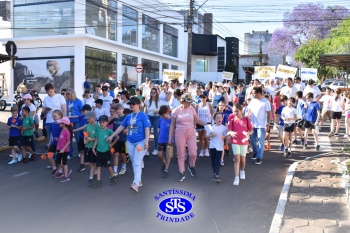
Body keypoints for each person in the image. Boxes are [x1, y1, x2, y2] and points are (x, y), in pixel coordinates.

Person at [107, 97, 151, 193]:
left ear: (138, 105)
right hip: (130, 142)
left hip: (140, 142)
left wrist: (147, 141)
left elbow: (147, 129)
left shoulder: (143, 116)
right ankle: (138, 181)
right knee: (134, 161)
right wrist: (112, 135)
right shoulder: (128, 116)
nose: (131, 105)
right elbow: (121, 127)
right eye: (130, 104)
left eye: (133, 104)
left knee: (137, 161)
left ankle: (136, 183)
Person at [168, 93, 207, 182]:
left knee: (193, 153)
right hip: (179, 133)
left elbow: (197, 120)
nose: (189, 104)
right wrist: (170, 137)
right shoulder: (176, 110)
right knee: (181, 154)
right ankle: (181, 172)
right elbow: (172, 125)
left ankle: (191, 166)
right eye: (187, 102)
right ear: (183, 101)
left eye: (190, 102)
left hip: (191, 132)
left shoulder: (191, 109)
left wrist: (207, 124)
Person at [228, 103, 253, 186]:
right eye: (234, 111)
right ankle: (236, 177)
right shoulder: (232, 120)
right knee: (236, 159)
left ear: (241, 111)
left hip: (244, 142)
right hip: (235, 142)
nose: (235, 113)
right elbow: (229, 130)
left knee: (242, 159)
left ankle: (242, 170)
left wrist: (248, 133)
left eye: (237, 111)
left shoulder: (246, 120)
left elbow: (251, 131)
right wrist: (231, 132)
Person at [92, 115, 118, 188]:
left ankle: (113, 177)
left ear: (107, 122)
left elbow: (117, 137)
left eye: (103, 122)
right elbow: (97, 139)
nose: (101, 124)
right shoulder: (98, 130)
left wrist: (111, 144)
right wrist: (93, 148)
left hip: (106, 151)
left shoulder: (109, 131)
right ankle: (99, 181)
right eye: (100, 122)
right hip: (99, 151)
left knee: (108, 166)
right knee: (98, 167)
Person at [248, 87, 271, 165]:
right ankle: (255, 152)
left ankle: (259, 157)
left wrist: (268, 123)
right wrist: (247, 120)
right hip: (252, 124)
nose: (252, 94)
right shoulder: (252, 101)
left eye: (254, 93)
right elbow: (249, 111)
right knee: (252, 139)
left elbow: (269, 113)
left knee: (260, 141)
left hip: (262, 125)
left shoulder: (265, 102)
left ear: (258, 93)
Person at [42, 83, 67, 148]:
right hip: (49, 121)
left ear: (53, 89)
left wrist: (63, 120)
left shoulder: (60, 97)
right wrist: (46, 110)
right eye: (47, 92)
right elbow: (43, 112)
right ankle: (52, 153)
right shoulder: (46, 98)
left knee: (59, 137)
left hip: (58, 121)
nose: (49, 93)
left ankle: (60, 151)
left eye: (50, 91)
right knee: (50, 138)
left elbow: (64, 110)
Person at [206, 112, 227, 183]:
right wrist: (211, 135)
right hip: (212, 146)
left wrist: (224, 137)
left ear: (222, 119)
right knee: (213, 161)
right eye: (217, 118)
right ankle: (215, 173)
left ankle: (217, 175)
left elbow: (227, 137)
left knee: (217, 161)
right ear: (214, 119)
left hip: (220, 147)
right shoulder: (211, 127)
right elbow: (206, 136)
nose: (219, 119)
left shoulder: (224, 128)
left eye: (220, 117)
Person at [144, 87, 164, 156]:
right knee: (147, 134)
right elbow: (145, 110)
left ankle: (155, 149)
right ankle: (146, 149)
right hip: (149, 117)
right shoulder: (147, 101)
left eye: (154, 92)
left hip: (156, 117)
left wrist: (158, 112)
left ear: (156, 93)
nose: (152, 94)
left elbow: (162, 111)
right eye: (151, 92)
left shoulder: (159, 102)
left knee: (155, 133)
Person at [73, 104, 92, 172]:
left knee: (89, 151)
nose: (82, 112)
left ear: (88, 111)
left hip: (88, 137)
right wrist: (66, 116)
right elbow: (75, 116)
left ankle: (91, 165)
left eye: (84, 111)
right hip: (82, 136)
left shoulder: (90, 119)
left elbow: (84, 127)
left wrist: (74, 130)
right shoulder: (82, 117)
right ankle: (82, 164)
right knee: (82, 151)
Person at [110, 104, 128, 176]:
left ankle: (124, 167)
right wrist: (113, 117)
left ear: (123, 109)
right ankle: (115, 170)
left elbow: (131, 125)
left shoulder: (126, 117)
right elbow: (107, 122)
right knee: (115, 154)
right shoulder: (115, 117)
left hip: (124, 139)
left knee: (123, 155)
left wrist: (127, 129)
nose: (118, 111)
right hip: (115, 139)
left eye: (120, 109)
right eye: (117, 109)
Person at [54, 117, 73, 182]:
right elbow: (62, 139)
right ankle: (67, 170)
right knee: (58, 162)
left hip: (64, 150)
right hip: (59, 148)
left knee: (64, 162)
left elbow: (68, 141)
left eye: (60, 122)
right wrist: (58, 139)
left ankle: (66, 176)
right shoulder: (62, 130)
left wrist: (63, 149)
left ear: (64, 124)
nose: (59, 123)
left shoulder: (67, 132)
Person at [66, 88, 83, 159]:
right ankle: (70, 153)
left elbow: (82, 111)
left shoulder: (78, 101)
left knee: (78, 137)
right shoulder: (66, 102)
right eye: (66, 94)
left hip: (76, 121)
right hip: (68, 122)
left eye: (68, 94)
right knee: (68, 138)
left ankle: (80, 151)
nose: (67, 95)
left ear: (72, 93)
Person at [83, 111, 99, 187]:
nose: (88, 120)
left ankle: (91, 177)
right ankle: (94, 170)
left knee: (92, 163)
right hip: (87, 147)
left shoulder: (97, 127)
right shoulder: (87, 126)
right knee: (86, 163)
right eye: (87, 119)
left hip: (94, 147)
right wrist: (85, 140)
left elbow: (97, 138)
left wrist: (91, 139)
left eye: (89, 119)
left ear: (94, 117)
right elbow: (85, 134)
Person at [157, 105, 173, 178]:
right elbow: (159, 128)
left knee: (168, 155)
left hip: (169, 140)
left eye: (164, 115)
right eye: (162, 115)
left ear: (167, 112)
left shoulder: (171, 120)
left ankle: (166, 169)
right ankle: (164, 163)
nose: (163, 116)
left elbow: (174, 130)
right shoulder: (161, 119)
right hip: (161, 139)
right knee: (159, 154)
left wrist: (172, 139)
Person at [196, 93, 214, 157]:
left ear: (206, 98)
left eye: (204, 97)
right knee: (201, 138)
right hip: (199, 123)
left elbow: (212, 114)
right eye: (201, 97)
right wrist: (195, 123)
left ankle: (206, 149)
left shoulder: (209, 105)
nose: (202, 99)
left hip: (207, 123)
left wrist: (213, 123)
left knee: (206, 137)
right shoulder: (197, 106)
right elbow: (196, 115)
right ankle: (201, 150)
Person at [48, 110, 63, 177]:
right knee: (49, 155)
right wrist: (49, 142)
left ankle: (61, 170)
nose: (54, 118)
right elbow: (51, 134)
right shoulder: (52, 124)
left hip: (60, 143)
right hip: (54, 143)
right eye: (53, 116)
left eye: (55, 116)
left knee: (59, 158)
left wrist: (60, 139)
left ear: (60, 116)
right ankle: (54, 168)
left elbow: (65, 134)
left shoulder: (62, 124)